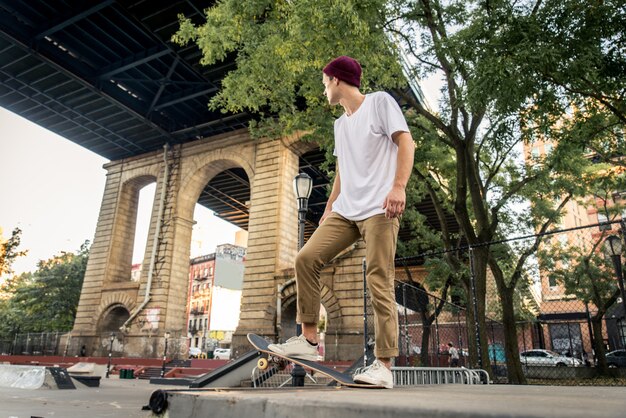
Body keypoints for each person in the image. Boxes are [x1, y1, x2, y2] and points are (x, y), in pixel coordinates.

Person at [267, 55, 415, 389]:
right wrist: (331, 206)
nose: (323, 90)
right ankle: (308, 341)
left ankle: (384, 366)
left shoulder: (379, 103)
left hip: (380, 208)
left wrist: (398, 187)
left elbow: (406, 141)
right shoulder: (340, 124)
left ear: (335, 80)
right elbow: (342, 170)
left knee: (378, 276)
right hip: (347, 211)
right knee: (306, 258)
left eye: (324, 83)